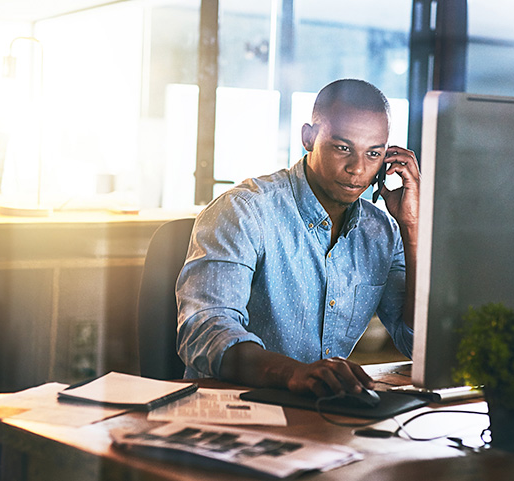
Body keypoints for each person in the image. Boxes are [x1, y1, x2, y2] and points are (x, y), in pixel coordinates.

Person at [176, 79, 420, 397]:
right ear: (308, 137)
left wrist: (412, 229)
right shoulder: (245, 211)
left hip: (321, 414)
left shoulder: (382, 232)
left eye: (373, 154)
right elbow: (204, 330)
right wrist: (295, 374)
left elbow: (416, 343)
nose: (357, 169)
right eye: (343, 148)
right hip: (233, 407)